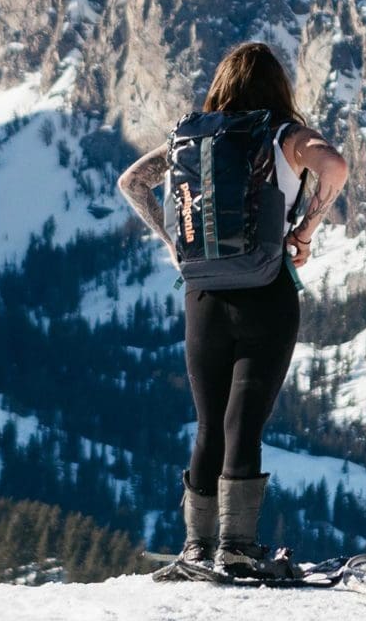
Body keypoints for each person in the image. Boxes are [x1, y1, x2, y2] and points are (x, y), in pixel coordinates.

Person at [118, 42, 349, 579]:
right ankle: (238, 548)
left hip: (202, 294)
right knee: (244, 421)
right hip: (267, 291)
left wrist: (173, 243)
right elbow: (334, 166)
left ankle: (196, 549)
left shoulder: (189, 139)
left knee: (209, 424)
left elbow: (131, 182)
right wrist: (305, 230)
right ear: (278, 88)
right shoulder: (284, 134)